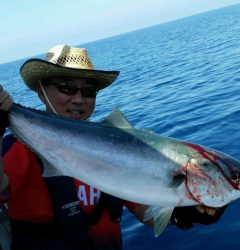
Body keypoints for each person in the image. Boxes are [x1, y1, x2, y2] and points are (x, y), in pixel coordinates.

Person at [0, 44, 226, 250]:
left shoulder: (118, 146)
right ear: (41, 92)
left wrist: (186, 213)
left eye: (88, 92)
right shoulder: (17, 148)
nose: (79, 99)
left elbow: (144, 212)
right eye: (66, 88)